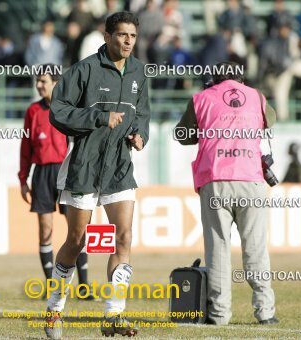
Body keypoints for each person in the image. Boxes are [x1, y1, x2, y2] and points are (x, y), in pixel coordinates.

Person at [44, 11, 150, 339]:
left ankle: (114, 315)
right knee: (77, 241)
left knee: (124, 236)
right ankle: (54, 309)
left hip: (119, 165)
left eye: (132, 35)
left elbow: (143, 112)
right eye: (121, 35)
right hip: (86, 164)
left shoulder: (139, 72)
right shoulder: (84, 70)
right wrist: (100, 117)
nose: (128, 40)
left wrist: (139, 134)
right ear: (107, 36)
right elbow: (58, 111)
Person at [175, 61, 278, 326]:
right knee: (255, 248)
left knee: (218, 248)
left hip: (216, 179)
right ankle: (265, 311)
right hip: (250, 178)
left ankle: (220, 314)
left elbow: (182, 135)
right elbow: (272, 120)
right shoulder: (256, 96)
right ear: (241, 79)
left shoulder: (201, 98)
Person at [18, 64, 95, 300]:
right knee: (46, 231)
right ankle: (53, 284)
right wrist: (23, 178)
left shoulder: (70, 108)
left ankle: (84, 286)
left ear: (56, 83)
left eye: (43, 81)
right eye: (37, 81)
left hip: (68, 174)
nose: (39, 85)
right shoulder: (32, 111)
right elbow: (26, 147)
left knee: (78, 231)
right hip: (41, 174)